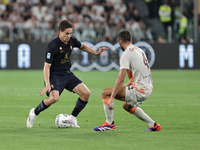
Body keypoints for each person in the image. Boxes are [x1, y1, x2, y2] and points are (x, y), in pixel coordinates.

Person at [26, 20, 107, 128]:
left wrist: (96, 52)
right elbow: (46, 66)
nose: (69, 36)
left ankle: (72, 118)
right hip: (55, 75)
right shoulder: (53, 46)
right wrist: (47, 83)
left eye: (70, 33)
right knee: (54, 99)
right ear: (60, 32)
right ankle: (34, 113)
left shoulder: (72, 40)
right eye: (67, 33)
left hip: (67, 74)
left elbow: (82, 46)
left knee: (86, 94)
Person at [94, 30, 161, 132]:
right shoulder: (139, 50)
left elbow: (121, 78)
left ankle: (109, 123)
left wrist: (112, 98)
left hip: (140, 90)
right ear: (131, 40)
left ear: (120, 42)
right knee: (127, 106)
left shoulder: (126, 54)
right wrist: (124, 87)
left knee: (106, 93)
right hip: (148, 87)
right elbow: (135, 76)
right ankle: (153, 125)